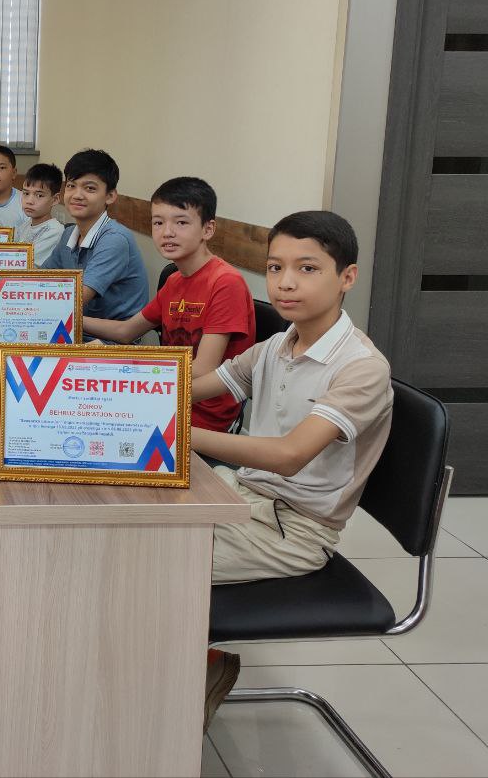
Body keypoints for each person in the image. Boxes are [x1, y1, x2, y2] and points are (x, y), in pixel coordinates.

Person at [192, 210, 393, 728]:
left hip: (294, 529)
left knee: (140, 557)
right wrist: (97, 383)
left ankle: (201, 666)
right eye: (275, 267)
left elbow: (289, 455)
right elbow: (192, 388)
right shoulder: (278, 344)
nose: (285, 282)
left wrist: (172, 435)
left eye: (307, 268)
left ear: (347, 277)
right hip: (242, 493)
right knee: (126, 514)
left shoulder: (361, 368)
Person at [84, 177, 254, 432]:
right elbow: (126, 331)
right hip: (164, 395)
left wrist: (120, 362)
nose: (167, 232)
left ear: (208, 229)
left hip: (204, 415)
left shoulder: (226, 282)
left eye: (181, 222)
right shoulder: (174, 280)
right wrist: (69, 317)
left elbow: (202, 369)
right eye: (158, 222)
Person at [40, 149, 149, 320]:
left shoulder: (114, 239)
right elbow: (41, 278)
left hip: (110, 334)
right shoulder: (68, 233)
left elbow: (76, 300)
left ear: (110, 196)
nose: (77, 195)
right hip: (76, 327)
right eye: (71, 186)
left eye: (90, 188)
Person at [12, 163, 65, 264]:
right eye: (26, 193)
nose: (29, 201)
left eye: (39, 195)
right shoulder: (25, 226)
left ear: (55, 199)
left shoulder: (55, 231)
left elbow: (26, 265)